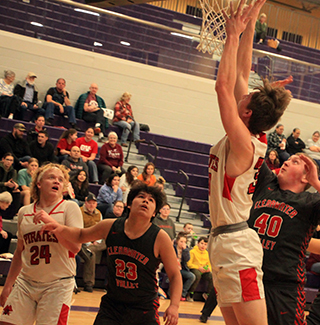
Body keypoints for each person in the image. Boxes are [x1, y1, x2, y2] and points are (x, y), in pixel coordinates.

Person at [208, 0, 292, 324]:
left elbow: (223, 86)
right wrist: (252, 20)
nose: (242, 92)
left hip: (236, 245)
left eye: (245, 97)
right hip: (222, 242)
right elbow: (241, 72)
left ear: (246, 112)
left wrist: (232, 35)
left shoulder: (244, 143)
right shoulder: (248, 133)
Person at [40, 182, 182, 325]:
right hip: (112, 306)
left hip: (143, 308)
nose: (146, 200)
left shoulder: (160, 237)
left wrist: (174, 306)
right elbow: (81, 235)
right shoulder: (110, 226)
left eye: (151, 200)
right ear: (129, 204)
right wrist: (59, 228)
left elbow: (175, 274)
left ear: (154, 213)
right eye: (141, 196)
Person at [0, 163, 83, 325]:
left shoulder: (70, 208)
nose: (57, 182)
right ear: (38, 183)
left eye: (60, 179)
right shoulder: (25, 212)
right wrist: (8, 285)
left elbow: (75, 247)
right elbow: (19, 252)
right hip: (26, 282)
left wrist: (51, 223)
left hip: (58, 284)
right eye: (51, 177)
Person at [247, 153, 320, 325]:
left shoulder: (311, 202)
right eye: (288, 159)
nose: (286, 161)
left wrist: (316, 182)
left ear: (305, 177)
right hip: (250, 276)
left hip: (283, 284)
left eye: (295, 162)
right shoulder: (267, 184)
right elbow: (251, 149)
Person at [80, 193, 106, 293]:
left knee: (109, 241)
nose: (91, 205)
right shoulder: (80, 212)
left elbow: (101, 229)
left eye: (94, 203)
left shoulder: (99, 213)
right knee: (91, 254)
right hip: (83, 240)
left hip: (96, 241)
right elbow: (79, 229)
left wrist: (97, 241)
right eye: (89, 203)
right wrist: (88, 242)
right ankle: (89, 284)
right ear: (85, 203)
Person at [186, 237, 213, 302]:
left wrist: (209, 269)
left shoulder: (207, 253)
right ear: (198, 243)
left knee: (212, 276)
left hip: (204, 270)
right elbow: (189, 264)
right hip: (194, 268)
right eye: (202, 243)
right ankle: (190, 293)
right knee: (197, 275)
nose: (203, 246)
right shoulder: (192, 252)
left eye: (205, 244)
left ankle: (208, 294)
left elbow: (209, 264)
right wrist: (198, 268)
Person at [174, 232, 195, 301]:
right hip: (173, 268)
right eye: (181, 241)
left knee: (192, 276)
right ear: (177, 241)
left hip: (182, 269)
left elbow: (187, 259)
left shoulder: (186, 249)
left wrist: (185, 250)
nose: (183, 243)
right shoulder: (173, 248)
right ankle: (173, 294)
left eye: (184, 242)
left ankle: (182, 293)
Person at [0, 153, 21, 220]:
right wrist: (5, 184)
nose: (9, 162)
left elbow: (14, 181)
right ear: (3, 160)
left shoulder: (13, 171)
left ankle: (11, 214)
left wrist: (15, 185)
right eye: (7, 159)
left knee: (17, 192)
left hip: (7, 190)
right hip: (1, 188)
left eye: (11, 160)